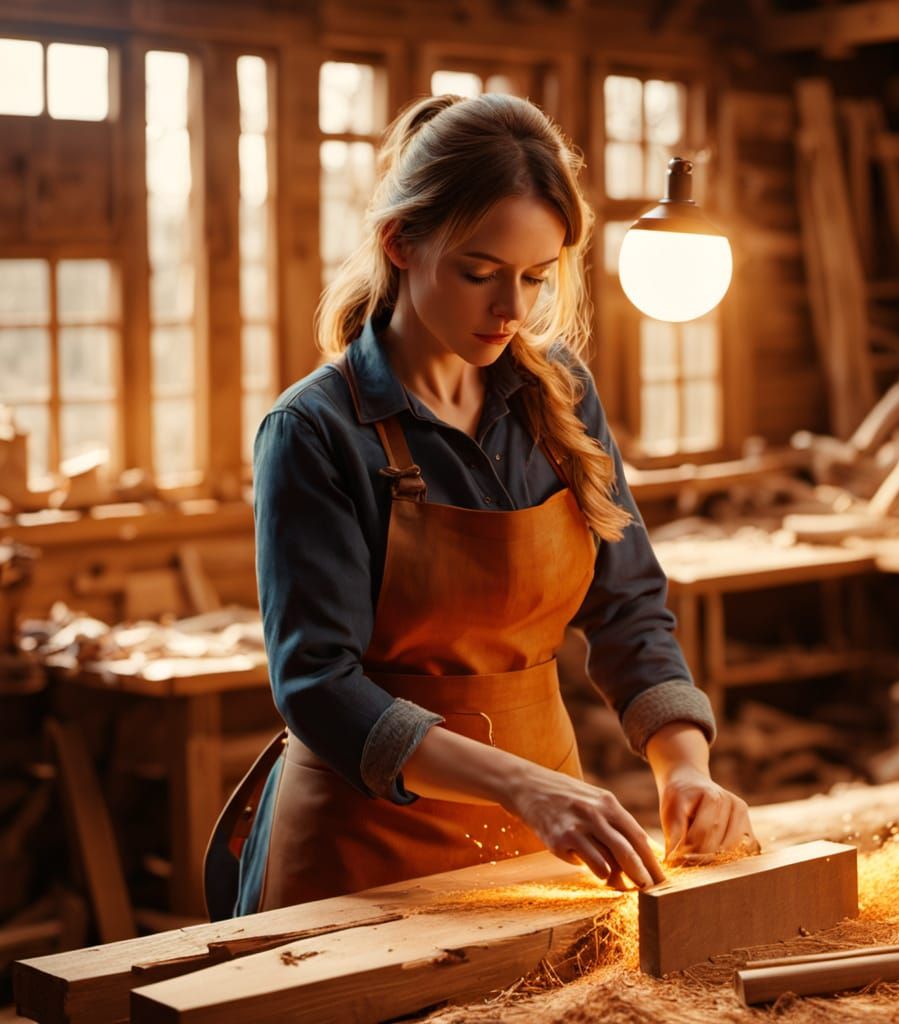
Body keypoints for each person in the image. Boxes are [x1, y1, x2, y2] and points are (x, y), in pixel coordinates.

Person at [205, 91, 756, 920]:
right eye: (479, 273)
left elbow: (629, 608)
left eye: (536, 277)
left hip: (540, 838)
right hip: (361, 854)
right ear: (400, 243)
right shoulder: (314, 430)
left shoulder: (560, 395)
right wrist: (522, 787)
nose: (512, 310)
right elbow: (317, 684)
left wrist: (684, 768)